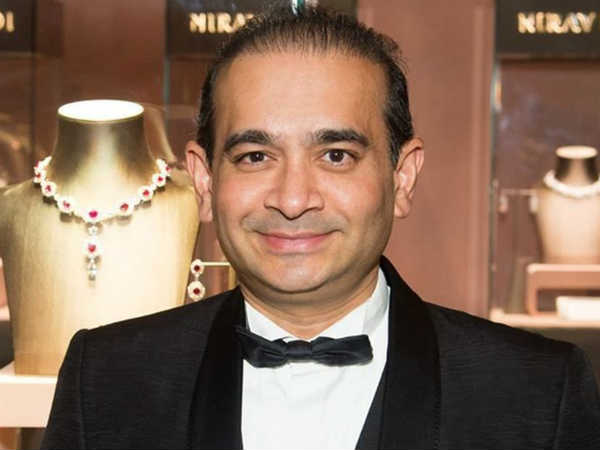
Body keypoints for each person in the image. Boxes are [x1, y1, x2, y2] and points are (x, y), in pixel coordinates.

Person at [41, 5, 600, 450]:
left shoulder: (538, 393)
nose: (292, 199)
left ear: (402, 177)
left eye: (335, 155)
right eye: (255, 156)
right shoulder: (106, 381)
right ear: (205, 182)